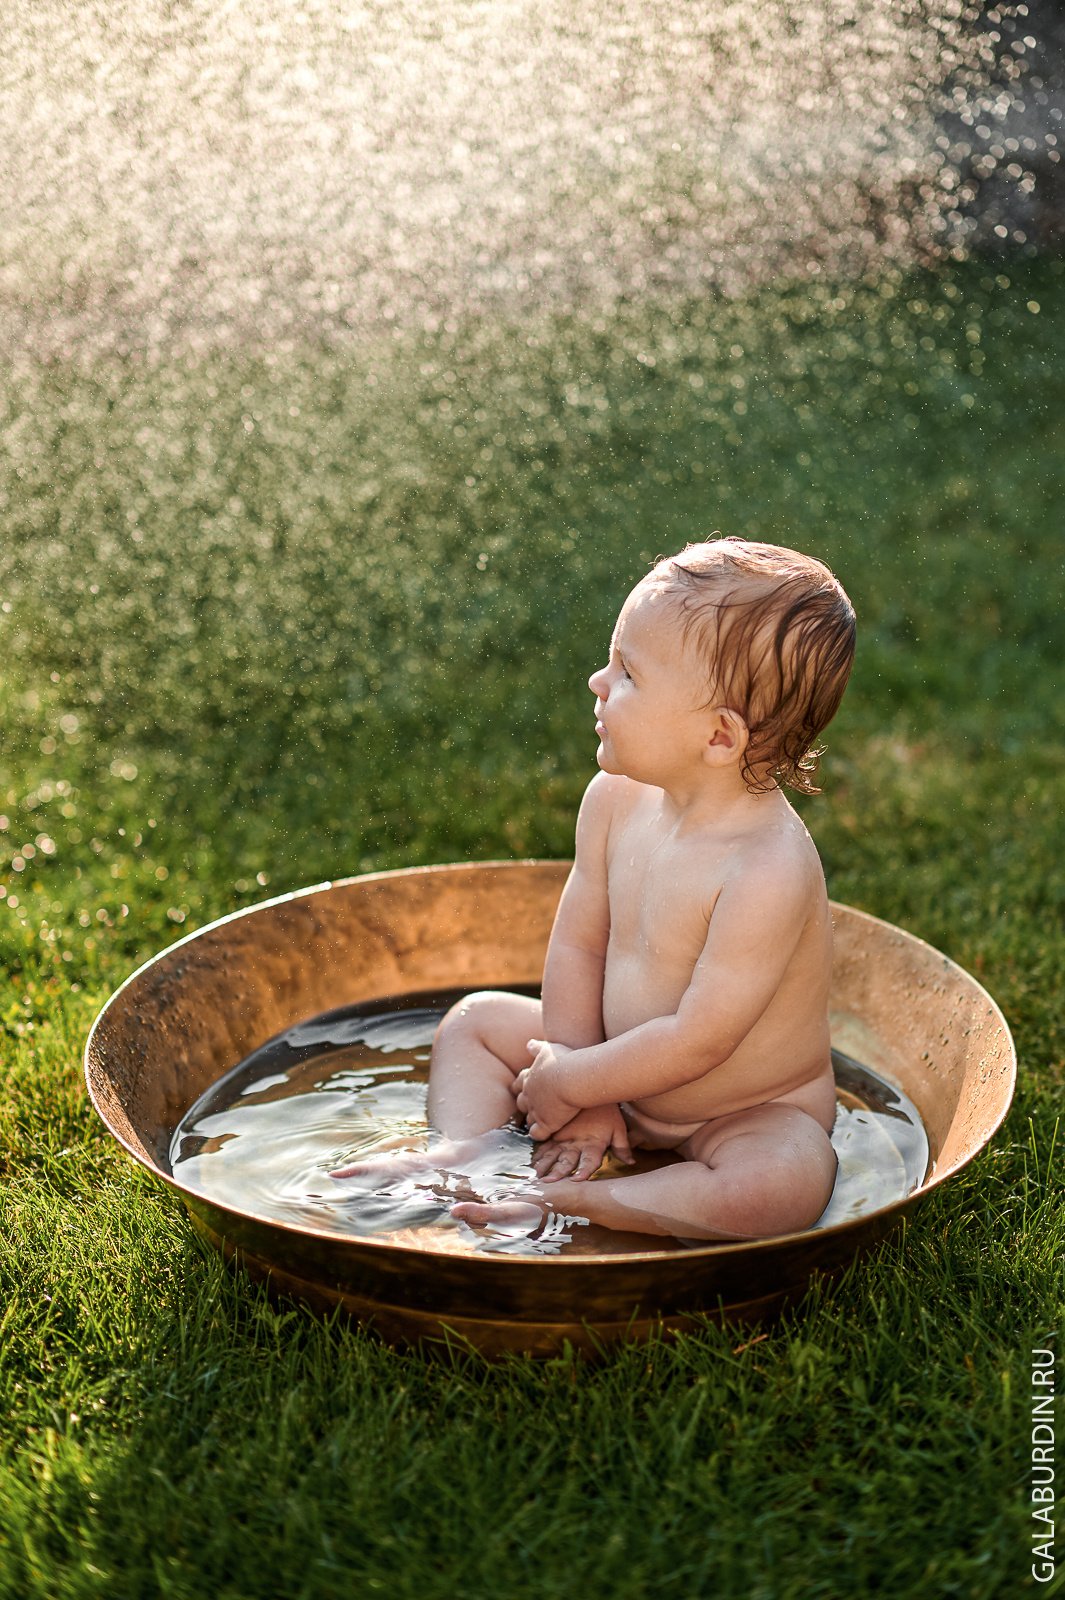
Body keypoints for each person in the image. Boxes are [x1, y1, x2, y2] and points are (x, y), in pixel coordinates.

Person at [336, 537, 856, 1242]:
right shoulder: (614, 798)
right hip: (599, 1060)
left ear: (718, 737)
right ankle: (461, 1155)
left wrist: (575, 1083)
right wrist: (574, 1077)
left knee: (781, 1184)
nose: (596, 682)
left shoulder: (765, 869)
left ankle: (575, 1205)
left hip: (739, 1111)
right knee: (475, 1023)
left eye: (627, 674)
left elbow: (699, 1040)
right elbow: (580, 946)